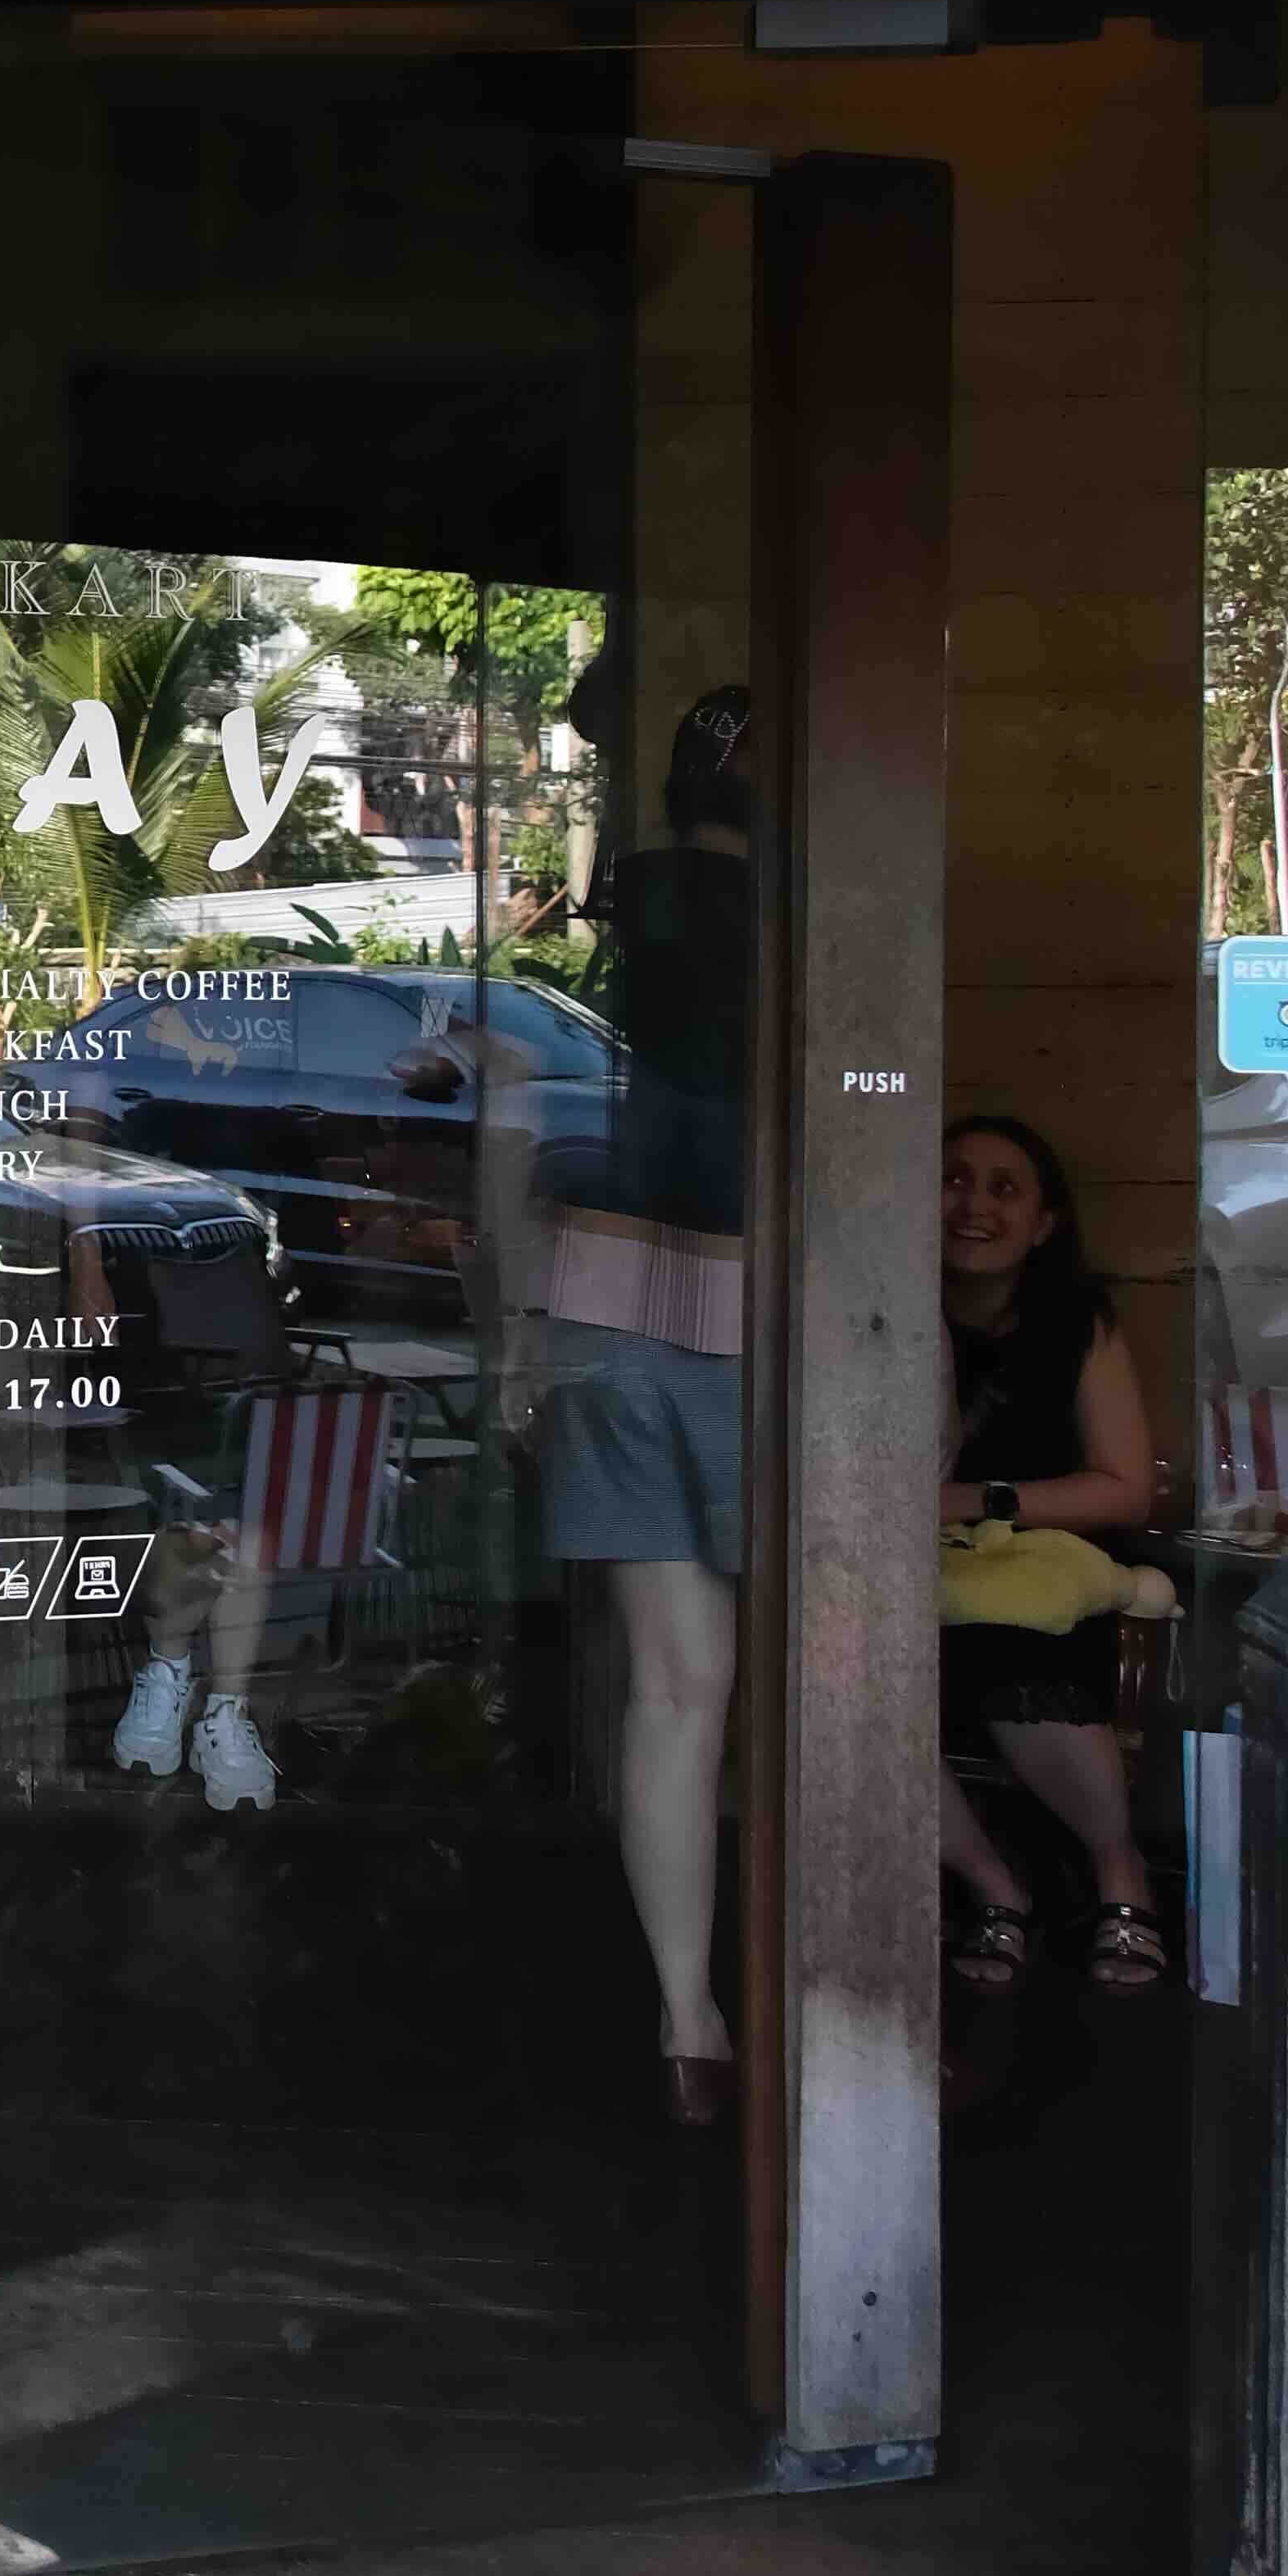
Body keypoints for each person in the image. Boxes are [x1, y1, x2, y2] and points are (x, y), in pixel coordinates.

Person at [536, 683, 755, 2127]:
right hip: (767, 1310)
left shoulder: (634, 895)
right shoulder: (800, 905)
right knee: (834, 1676)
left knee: (676, 1689)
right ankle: (852, 1995)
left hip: (609, 1302)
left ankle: (691, 2023)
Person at [934, 1113, 1165, 1998]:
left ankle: (1119, 1873)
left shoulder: (1073, 1324)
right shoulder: (878, 1309)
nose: (972, 1205)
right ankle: (995, 1886)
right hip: (908, 1565)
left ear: (1043, 1223)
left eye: (1004, 1188)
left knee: (1017, 1641)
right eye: (953, 1179)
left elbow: (1124, 1488)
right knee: (845, 1664)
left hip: (1047, 1569)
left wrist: (975, 1501)